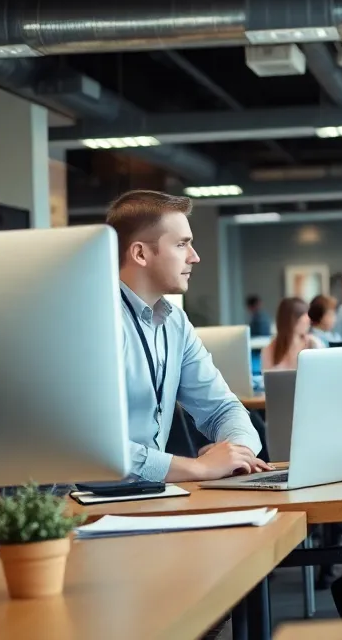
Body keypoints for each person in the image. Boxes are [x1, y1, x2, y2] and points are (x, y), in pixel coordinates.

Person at [106, 190, 271, 482]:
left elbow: (222, 408)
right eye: (182, 244)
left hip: (148, 496)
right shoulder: (100, 322)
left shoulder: (175, 323)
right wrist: (198, 468)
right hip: (87, 504)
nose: (195, 257)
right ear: (140, 253)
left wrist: (237, 452)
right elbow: (96, 450)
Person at [262, 297, 324, 372]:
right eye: (305, 316)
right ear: (293, 320)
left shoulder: (314, 344)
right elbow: (268, 380)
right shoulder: (269, 349)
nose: (309, 321)